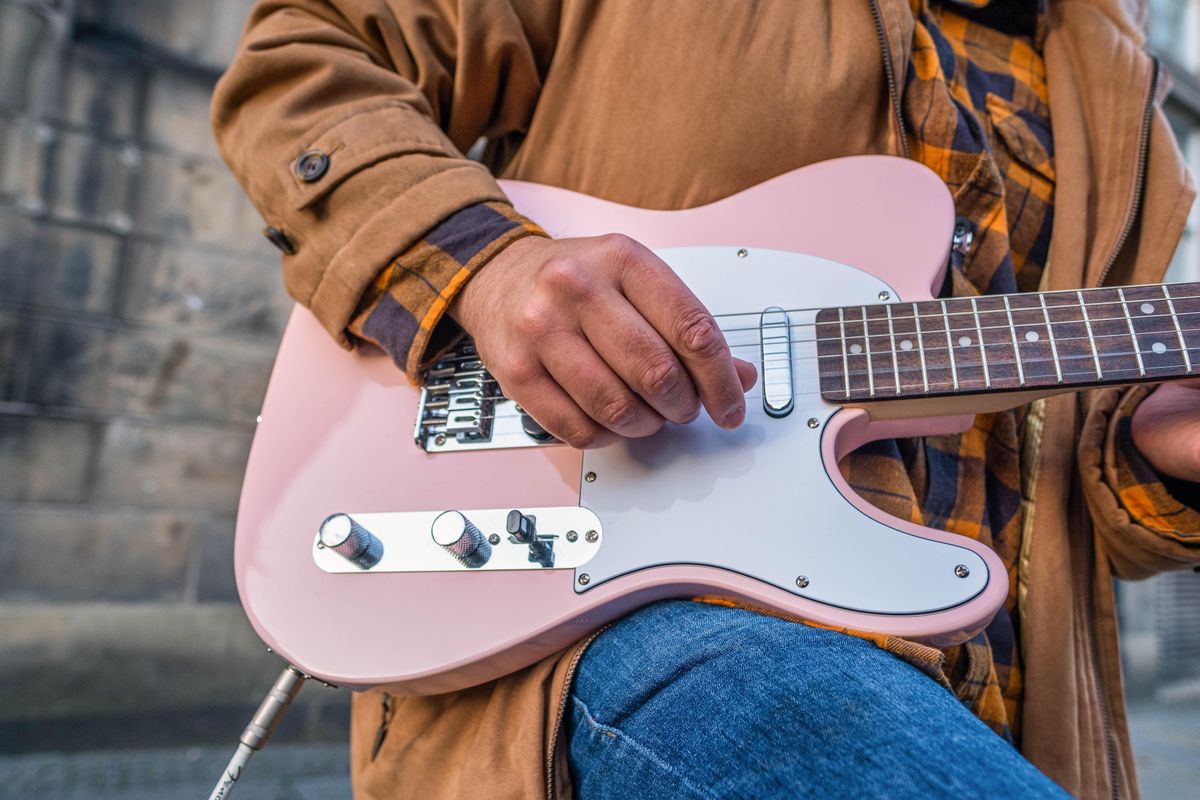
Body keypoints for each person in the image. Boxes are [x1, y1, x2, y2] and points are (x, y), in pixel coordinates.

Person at [211, 1, 1200, 797]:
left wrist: (1161, 451)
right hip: (618, 628)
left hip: (1000, 698)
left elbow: (1073, 481)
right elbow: (307, 56)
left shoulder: (1123, 96)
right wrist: (485, 267)